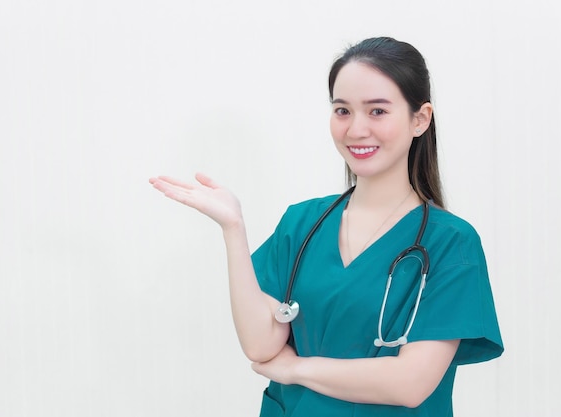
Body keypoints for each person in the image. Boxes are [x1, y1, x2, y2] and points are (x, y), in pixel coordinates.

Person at [149, 36, 503, 417]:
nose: (355, 130)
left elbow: (410, 383)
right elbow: (261, 345)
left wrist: (296, 368)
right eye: (342, 111)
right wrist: (233, 229)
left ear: (420, 119)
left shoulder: (450, 243)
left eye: (378, 111)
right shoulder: (303, 224)